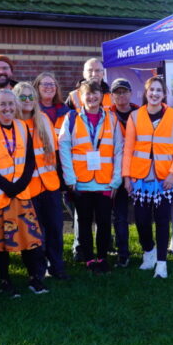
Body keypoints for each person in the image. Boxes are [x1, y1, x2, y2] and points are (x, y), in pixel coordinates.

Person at [0, 90, 48, 295]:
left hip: (20, 194)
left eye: (11, 105)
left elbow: (30, 160)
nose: (7, 109)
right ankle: (5, 280)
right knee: (0, 243)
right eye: (3, 105)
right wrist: (8, 186)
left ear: (16, 108)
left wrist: (21, 184)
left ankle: (34, 278)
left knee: (28, 240)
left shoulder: (22, 127)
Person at [122, 76, 173, 279]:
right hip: (140, 176)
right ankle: (148, 251)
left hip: (166, 177)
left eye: (159, 90)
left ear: (164, 94)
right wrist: (126, 176)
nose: (155, 94)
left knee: (162, 220)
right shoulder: (134, 116)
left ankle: (161, 263)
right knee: (140, 220)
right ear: (146, 93)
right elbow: (128, 149)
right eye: (152, 90)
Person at [59, 81, 123, 274]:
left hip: (105, 182)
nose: (92, 97)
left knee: (104, 223)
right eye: (88, 94)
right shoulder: (71, 118)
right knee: (84, 223)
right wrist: (70, 179)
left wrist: (116, 179)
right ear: (80, 96)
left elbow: (119, 150)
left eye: (96, 94)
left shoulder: (112, 118)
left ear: (102, 96)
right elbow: (64, 148)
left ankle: (102, 257)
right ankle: (88, 259)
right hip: (81, 183)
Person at [14, 81, 69, 280]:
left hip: (49, 184)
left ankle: (57, 266)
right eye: (23, 97)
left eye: (31, 97)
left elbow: (54, 151)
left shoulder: (44, 119)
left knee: (55, 227)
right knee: (34, 232)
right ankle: (37, 270)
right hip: (26, 188)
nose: (28, 101)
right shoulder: (12, 124)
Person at [108, 78, 138, 266]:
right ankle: (123, 253)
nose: (121, 95)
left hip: (140, 171)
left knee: (143, 214)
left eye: (124, 91)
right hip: (115, 172)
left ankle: (149, 249)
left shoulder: (140, 114)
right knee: (119, 215)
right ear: (111, 96)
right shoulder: (106, 116)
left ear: (130, 93)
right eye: (117, 92)